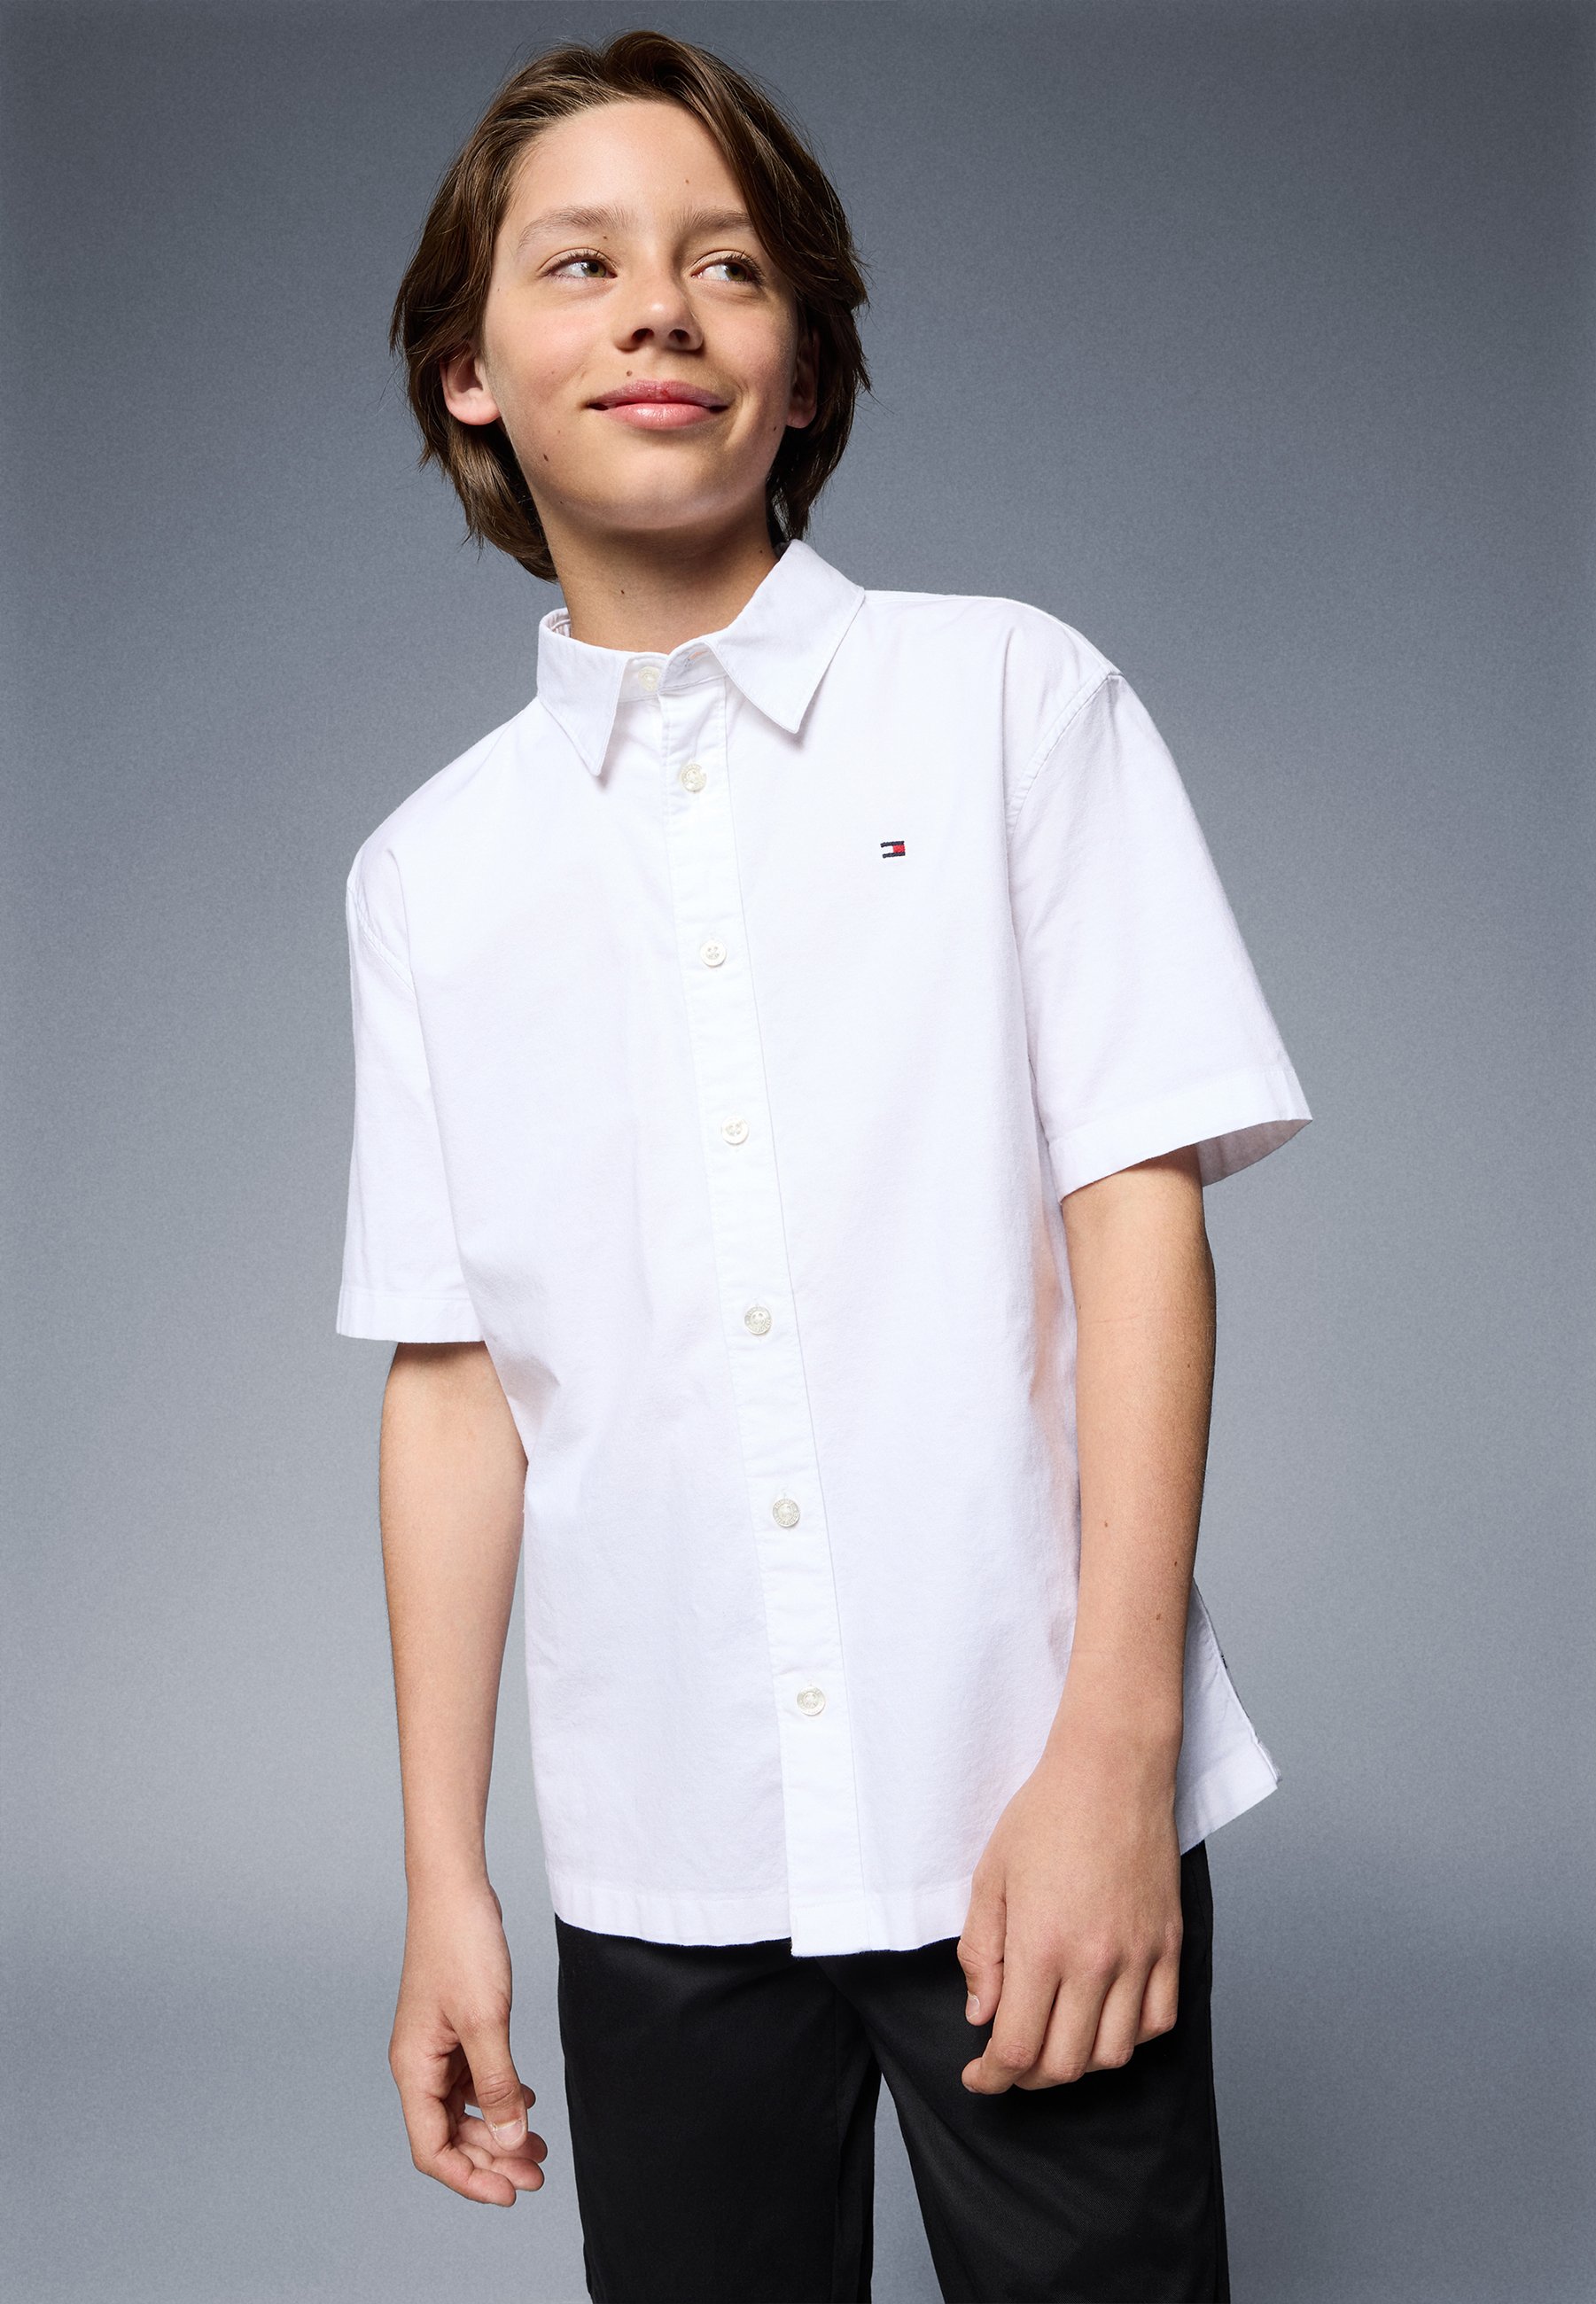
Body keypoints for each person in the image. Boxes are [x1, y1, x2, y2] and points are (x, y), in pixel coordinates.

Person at [337, 27, 1310, 2303]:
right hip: (659, 1855)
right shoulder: (425, 876)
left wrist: (1115, 1753)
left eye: (728, 264)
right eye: (580, 265)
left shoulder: (1010, 704)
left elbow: (1135, 1223)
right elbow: (455, 1387)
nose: (660, 311)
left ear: (800, 363)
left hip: (1025, 1805)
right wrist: (445, 1880)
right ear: (470, 372)